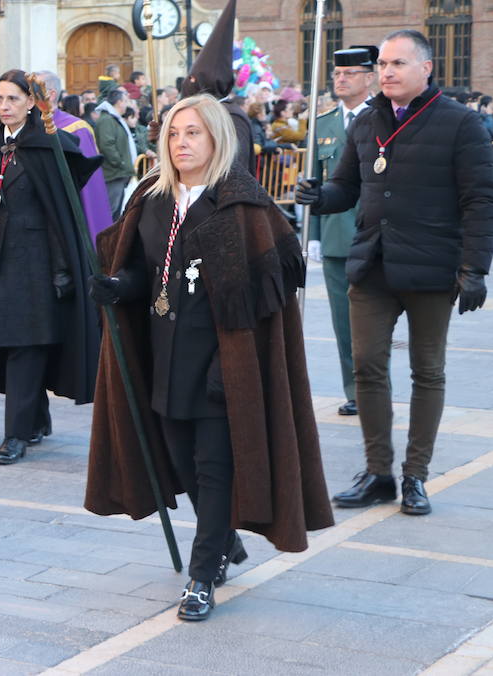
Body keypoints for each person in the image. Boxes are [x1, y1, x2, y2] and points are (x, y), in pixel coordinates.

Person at [86, 93, 333, 622]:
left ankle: (202, 578)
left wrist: (233, 366)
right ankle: (220, 539)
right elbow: (146, 272)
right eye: (174, 134)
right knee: (180, 461)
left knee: (213, 467)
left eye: (193, 132)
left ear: (217, 138)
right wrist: (118, 285)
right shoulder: (151, 198)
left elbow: (271, 290)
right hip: (163, 358)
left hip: (223, 361)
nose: (181, 143)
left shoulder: (241, 204)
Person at [298, 29, 493, 516]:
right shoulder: (365, 123)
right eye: (382, 64)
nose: (386, 72)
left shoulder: (461, 124)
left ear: (426, 68)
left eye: (398, 64)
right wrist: (318, 197)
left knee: (427, 372)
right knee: (367, 366)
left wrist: (474, 269)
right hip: (374, 262)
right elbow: (345, 187)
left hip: (431, 267)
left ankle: (415, 475)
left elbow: (480, 201)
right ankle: (379, 471)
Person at [0, 70, 102, 465]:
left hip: (36, 268)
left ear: (31, 102)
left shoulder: (48, 146)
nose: (4, 106)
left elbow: (60, 213)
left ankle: (15, 435)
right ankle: (35, 420)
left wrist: (63, 270)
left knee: (25, 346)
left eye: (12, 99)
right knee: (14, 345)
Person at [306, 46, 377, 417]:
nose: (341, 79)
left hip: (377, 236)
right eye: (337, 74)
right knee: (343, 323)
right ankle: (355, 391)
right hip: (336, 238)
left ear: (369, 78)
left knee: (374, 323)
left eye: (350, 74)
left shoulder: (387, 120)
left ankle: (375, 387)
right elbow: (314, 183)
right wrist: (314, 233)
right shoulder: (324, 125)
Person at [34, 70, 114, 239]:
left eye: (31, 90)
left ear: (51, 94)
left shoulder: (77, 129)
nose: (26, 96)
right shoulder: (27, 127)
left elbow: (88, 186)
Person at [180, 0, 252, 175]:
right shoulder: (201, 112)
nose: (189, 85)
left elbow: (235, 167)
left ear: (207, 83)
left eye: (194, 80)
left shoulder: (232, 118)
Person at [95, 87, 136, 219]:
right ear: (119, 102)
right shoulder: (107, 120)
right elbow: (107, 145)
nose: (127, 105)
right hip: (113, 173)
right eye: (125, 101)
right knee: (111, 212)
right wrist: (120, 162)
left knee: (117, 211)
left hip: (118, 172)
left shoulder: (113, 118)